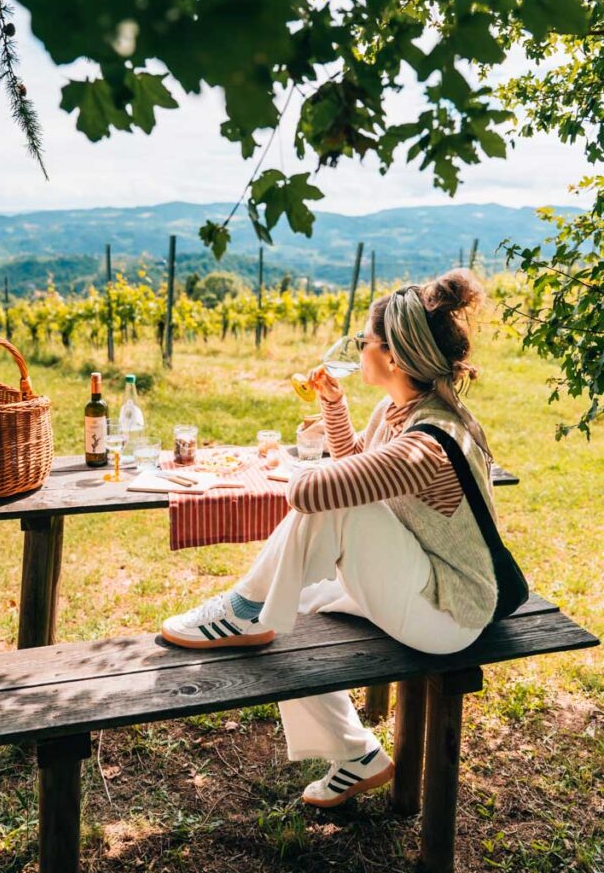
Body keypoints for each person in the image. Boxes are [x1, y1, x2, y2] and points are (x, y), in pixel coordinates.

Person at [162, 269, 499, 807]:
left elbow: (325, 495)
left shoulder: (426, 444)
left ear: (393, 358)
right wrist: (334, 410)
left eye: (366, 340)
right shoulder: (399, 410)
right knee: (289, 606)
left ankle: (244, 608)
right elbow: (358, 471)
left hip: (449, 612)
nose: (359, 347)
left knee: (304, 551)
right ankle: (355, 751)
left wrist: (287, 473)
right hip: (420, 578)